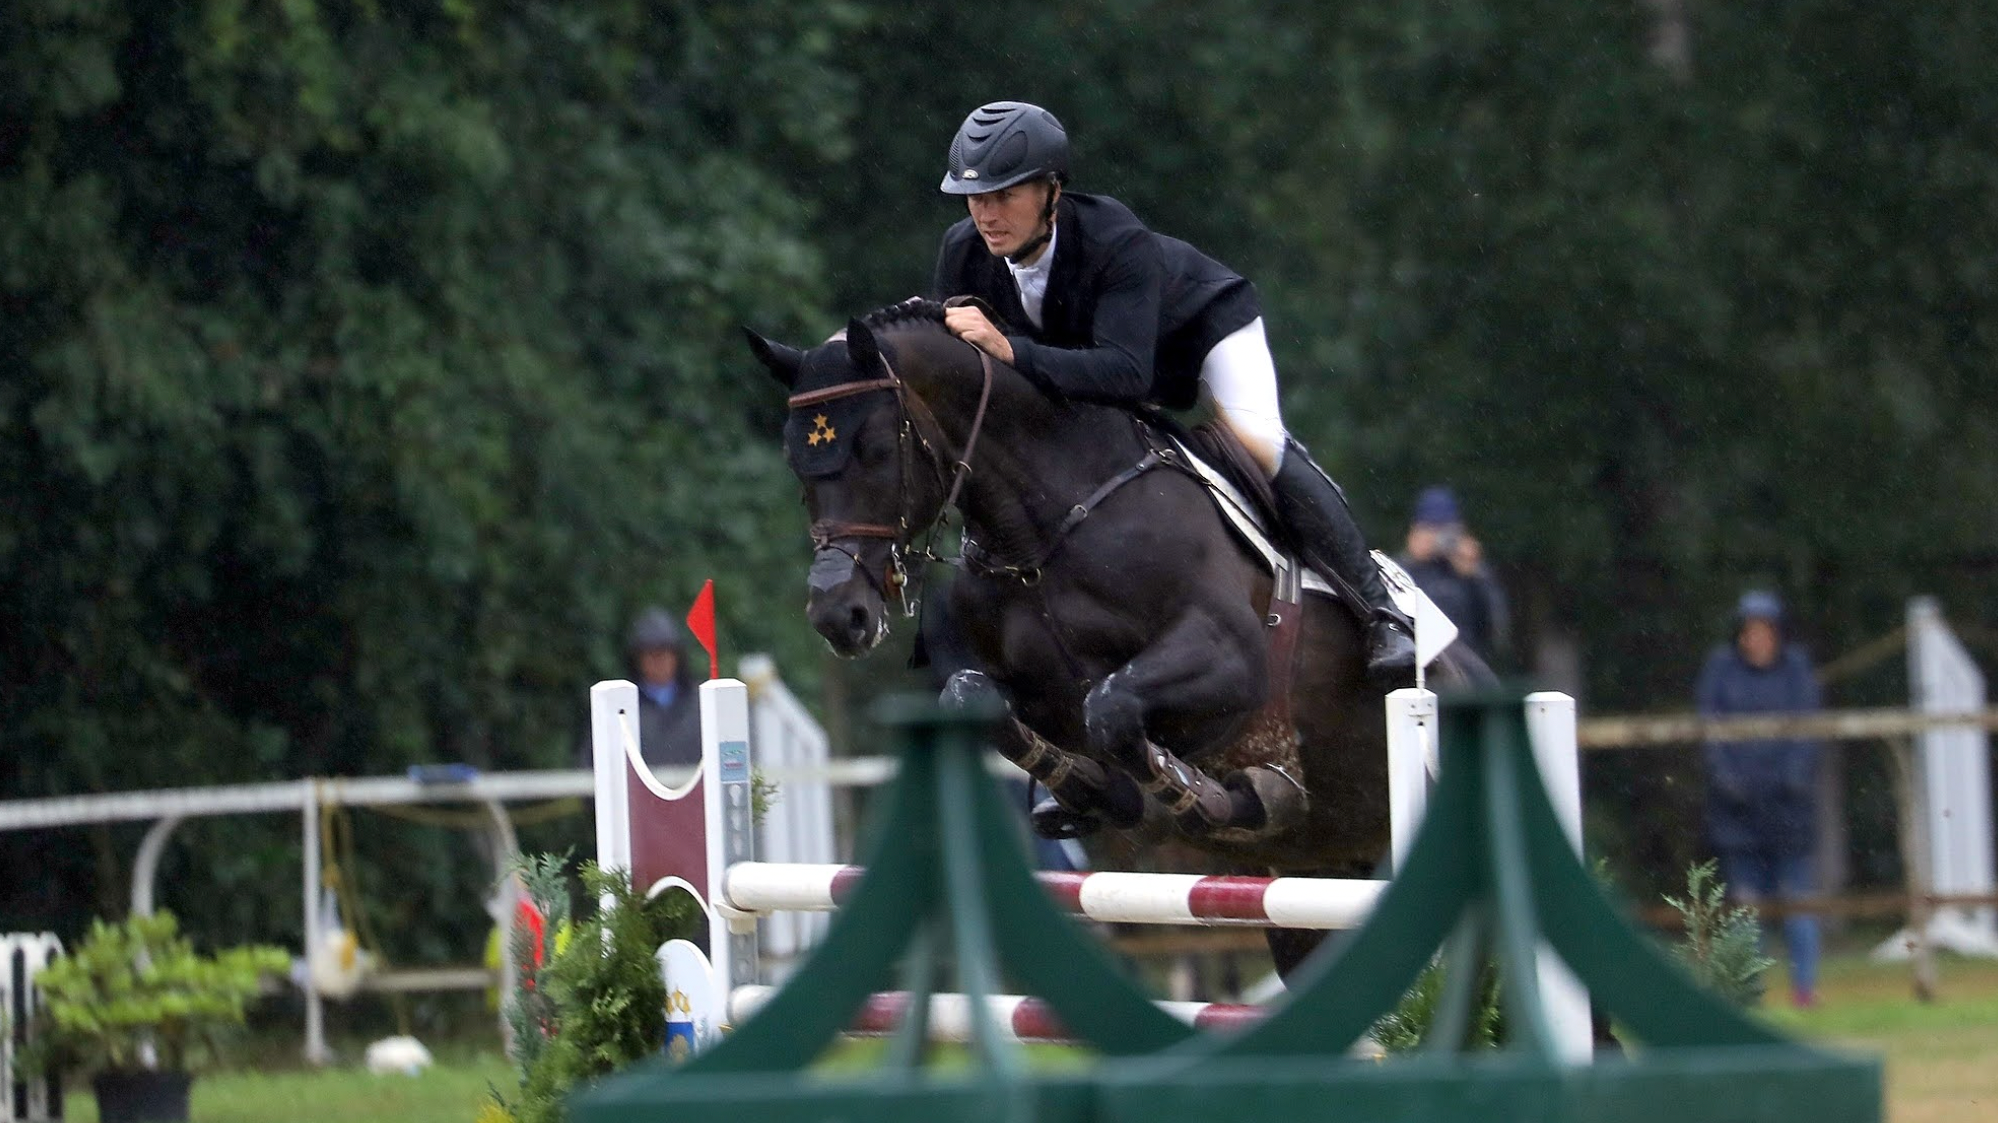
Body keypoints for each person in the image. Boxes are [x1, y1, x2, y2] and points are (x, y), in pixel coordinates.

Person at [929, 101, 1415, 688]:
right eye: (975, 198)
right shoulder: (962, 251)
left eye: (1004, 195)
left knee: (1258, 443)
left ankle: (1380, 612)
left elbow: (1128, 374)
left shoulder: (1114, 240)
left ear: (1053, 191)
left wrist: (1012, 352)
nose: (986, 214)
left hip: (1201, 334)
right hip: (1096, 364)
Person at [1695, 590, 1824, 1007]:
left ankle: (1805, 989)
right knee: (1745, 907)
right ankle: (1750, 993)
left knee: (1798, 903)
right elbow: (1708, 729)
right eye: (1750, 631)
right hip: (1738, 811)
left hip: (1788, 808)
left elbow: (1808, 730)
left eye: (1765, 631)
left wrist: (1792, 778)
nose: (1757, 639)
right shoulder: (1721, 671)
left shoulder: (1797, 671)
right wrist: (1728, 781)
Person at [1397, 486, 1510, 666]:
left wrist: (1473, 575)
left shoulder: (1468, 572)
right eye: (1431, 529)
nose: (1440, 539)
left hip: (1465, 663)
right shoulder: (1404, 572)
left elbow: (1496, 630)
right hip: (1416, 663)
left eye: (1446, 530)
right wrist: (1411, 561)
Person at [621, 606, 703, 770]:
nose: (658, 661)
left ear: (677, 656)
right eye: (651, 654)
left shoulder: (701, 703)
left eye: (664, 653)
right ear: (637, 659)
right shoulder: (622, 707)